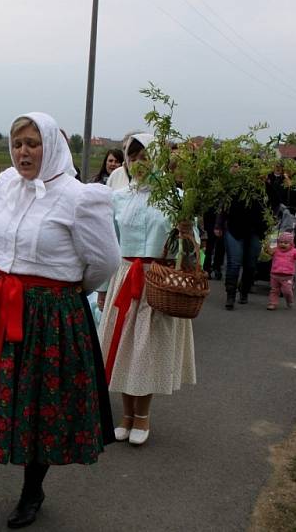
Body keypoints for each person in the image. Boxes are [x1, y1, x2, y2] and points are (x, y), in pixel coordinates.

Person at [0, 112, 120, 531]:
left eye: (32, 143)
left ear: (51, 145)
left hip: (48, 317)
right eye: (18, 143)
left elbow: (105, 262)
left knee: (38, 411)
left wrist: (64, 296)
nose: (23, 151)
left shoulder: (81, 197)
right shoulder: (7, 182)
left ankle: (32, 492)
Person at [96, 132, 196, 448]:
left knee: (145, 350)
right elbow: (107, 244)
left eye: (146, 156)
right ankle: (125, 415)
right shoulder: (118, 198)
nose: (139, 163)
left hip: (157, 279)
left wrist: (186, 233)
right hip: (124, 276)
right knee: (124, 348)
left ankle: (143, 415)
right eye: (134, 157)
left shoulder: (176, 199)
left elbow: (194, 251)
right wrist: (100, 286)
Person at [215, 187, 269, 309]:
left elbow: (274, 201)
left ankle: (244, 289)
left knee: (251, 263)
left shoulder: (262, 182)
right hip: (234, 226)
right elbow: (224, 202)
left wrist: (269, 222)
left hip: (256, 229)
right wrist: (219, 223)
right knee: (234, 262)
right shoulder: (234, 183)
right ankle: (231, 294)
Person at [263, 232, 296, 310]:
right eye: (281, 242)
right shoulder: (276, 250)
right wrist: (266, 247)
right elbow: (269, 252)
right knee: (274, 290)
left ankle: (289, 301)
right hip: (275, 274)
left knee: (287, 291)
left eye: (286, 243)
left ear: (291, 244)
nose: (283, 244)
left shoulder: (293, 251)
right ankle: (272, 303)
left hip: (287, 276)